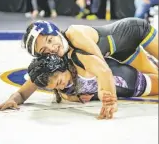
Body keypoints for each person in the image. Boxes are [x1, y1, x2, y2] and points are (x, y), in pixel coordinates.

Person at [22, 18, 158, 116]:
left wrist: (106, 95)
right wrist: (16, 98)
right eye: (45, 50)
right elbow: (39, 75)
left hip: (135, 31)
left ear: (56, 32)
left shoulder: (74, 34)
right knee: (156, 75)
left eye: (50, 40)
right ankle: (152, 61)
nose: (52, 48)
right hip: (123, 52)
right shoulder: (59, 54)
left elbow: (103, 69)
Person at [0, 54, 158, 120]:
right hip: (127, 85)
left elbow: (105, 70)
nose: (60, 86)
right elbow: (22, 93)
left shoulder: (78, 58)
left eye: (59, 82)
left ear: (61, 67)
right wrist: (12, 100)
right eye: (54, 88)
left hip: (129, 80)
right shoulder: (45, 74)